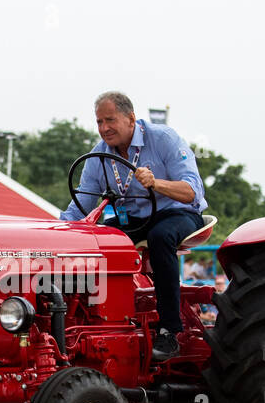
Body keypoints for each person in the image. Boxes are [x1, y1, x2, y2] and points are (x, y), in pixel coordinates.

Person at [61, 91, 207, 361]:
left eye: (110, 120)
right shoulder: (99, 155)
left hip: (175, 213)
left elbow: (192, 193)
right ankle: (88, 324)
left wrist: (156, 183)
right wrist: (56, 233)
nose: (104, 128)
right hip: (134, 220)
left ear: (130, 118)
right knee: (98, 240)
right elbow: (80, 203)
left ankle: (170, 331)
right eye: (99, 122)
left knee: (160, 236)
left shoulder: (164, 139)